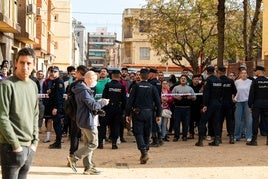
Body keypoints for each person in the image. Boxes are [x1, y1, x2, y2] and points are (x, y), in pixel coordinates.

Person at [0, 47, 39, 178]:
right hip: (11, 147)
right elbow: (2, 117)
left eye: (29, 63)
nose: (25, 67)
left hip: (29, 147)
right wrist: (16, 145)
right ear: (15, 63)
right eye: (22, 62)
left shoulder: (33, 85)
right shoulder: (7, 85)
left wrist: (35, 142)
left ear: (34, 65)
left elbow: (35, 114)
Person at [67, 71, 109, 175]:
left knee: (88, 143)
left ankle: (88, 167)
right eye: (95, 80)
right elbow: (93, 105)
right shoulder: (84, 91)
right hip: (87, 120)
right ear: (89, 79)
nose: (95, 82)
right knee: (94, 143)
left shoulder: (82, 89)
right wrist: (103, 102)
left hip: (83, 119)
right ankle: (74, 157)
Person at [125, 68, 162, 164]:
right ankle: (145, 152)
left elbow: (130, 101)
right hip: (149, 113)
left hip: (138, 113)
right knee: (146, 133)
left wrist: (127, 113)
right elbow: (158, 102)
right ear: (148, 76)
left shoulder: (136, 87)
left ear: (140, 76)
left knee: (138, 133)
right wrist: (158, 114)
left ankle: (143, 151)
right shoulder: (152, 87)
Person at [195, 66, 223, 146]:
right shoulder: (219, 80)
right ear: (214, 71)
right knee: (216, 122)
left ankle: (200, 141)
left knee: (203, 121)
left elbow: (206, 94)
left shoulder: (208, 80)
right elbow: (221, 93)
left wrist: (204, 105)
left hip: (210, 103)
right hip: (217, 103)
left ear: (207, 72)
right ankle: (217, 140)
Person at [66, 65, 88, 163]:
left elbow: (68, 99)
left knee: (74, 136)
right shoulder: (88, 84)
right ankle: (88, 162)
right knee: (89, 139)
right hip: (86, 115)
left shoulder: (73, 85)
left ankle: (72, 156)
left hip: (75, 114)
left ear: (78, 73)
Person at [102, 70, 127, 149]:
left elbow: (104, 97)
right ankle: (114, 143)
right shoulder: (121, 86)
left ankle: (100, 143)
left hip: (107, 108)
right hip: (117, 109)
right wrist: (123, 110)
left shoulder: (108, 85)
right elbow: (124, 99)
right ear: (119, 76)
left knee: (103, 125)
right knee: (115, 126)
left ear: (111, 76)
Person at [247, 66, 268, 146]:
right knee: (267, 121)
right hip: (266, 103)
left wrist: (249, 105)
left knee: (255, 121)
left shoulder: (255, 82)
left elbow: (251, 94)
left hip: (257, 103)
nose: (255, 72)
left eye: (255, 71)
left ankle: (254, 140)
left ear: (259, 72)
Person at [172, 75, 196, 141]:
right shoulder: (176, 88)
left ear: (186, 80)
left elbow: (194, 97)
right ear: (180, 80)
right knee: (176, 123)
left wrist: (190, 97)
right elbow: (171, 95)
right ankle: (176, 136)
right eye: (182, 78)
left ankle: (184, 136)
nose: (183, 79)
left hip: (187, 108)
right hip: (177, 108)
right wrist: (176, 97)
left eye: (184, 78)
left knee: (186, 123)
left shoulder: (190, 88)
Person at [217, 66, 237, 144]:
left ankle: (219, 138)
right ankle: (231, 137)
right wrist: (232, 98)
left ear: (218, 72)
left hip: (220, 104)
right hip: (229, 104)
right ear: (225, 72)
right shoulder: (230, 81)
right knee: (230, 121)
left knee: (219, 121)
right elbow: (235, 92)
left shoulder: (217, 81)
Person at [48, 66, 65, 149]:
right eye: (52, 71)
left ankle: (58, 142)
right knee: (56, 124)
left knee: (57, 125)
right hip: (53, 106)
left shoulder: (59, 82)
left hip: (57, 107)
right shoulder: (54, 82)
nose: (53, 73)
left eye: (55, 71)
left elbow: (59, 97)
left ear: (58, 73)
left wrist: (56, 107)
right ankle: (57, 141)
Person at [233, 69, 252, 142]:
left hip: (247, 102)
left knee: (249, 120)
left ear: (247, 74)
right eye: (242, 73)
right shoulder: (237, 82)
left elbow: (252, 93)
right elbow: (234, 92)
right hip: (239, 102)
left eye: (245, 73)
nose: (243, 74)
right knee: (238, 120)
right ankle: (237, 136)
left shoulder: (250, 82)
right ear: (240, 74)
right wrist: (234, 98)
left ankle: (249, 136)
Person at [148, 68, 163, 147]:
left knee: (153, 123)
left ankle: (155, 140)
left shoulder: (152, 83)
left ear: (152, 74)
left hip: (152, 105)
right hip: (156, 105)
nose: (148, 75)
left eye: (149, 73)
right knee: (155, 123)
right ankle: (159, 138)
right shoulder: (158, 83)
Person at [189, 74, 203, 139]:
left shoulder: (201, 86)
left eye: (198, 79)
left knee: (200, 121)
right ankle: (191, 133)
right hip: (191, 106)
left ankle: (201, 134)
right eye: (195, 79)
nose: (197, 80)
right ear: (192, 80)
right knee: (191, 121)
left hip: (199, 106)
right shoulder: (189, 87)